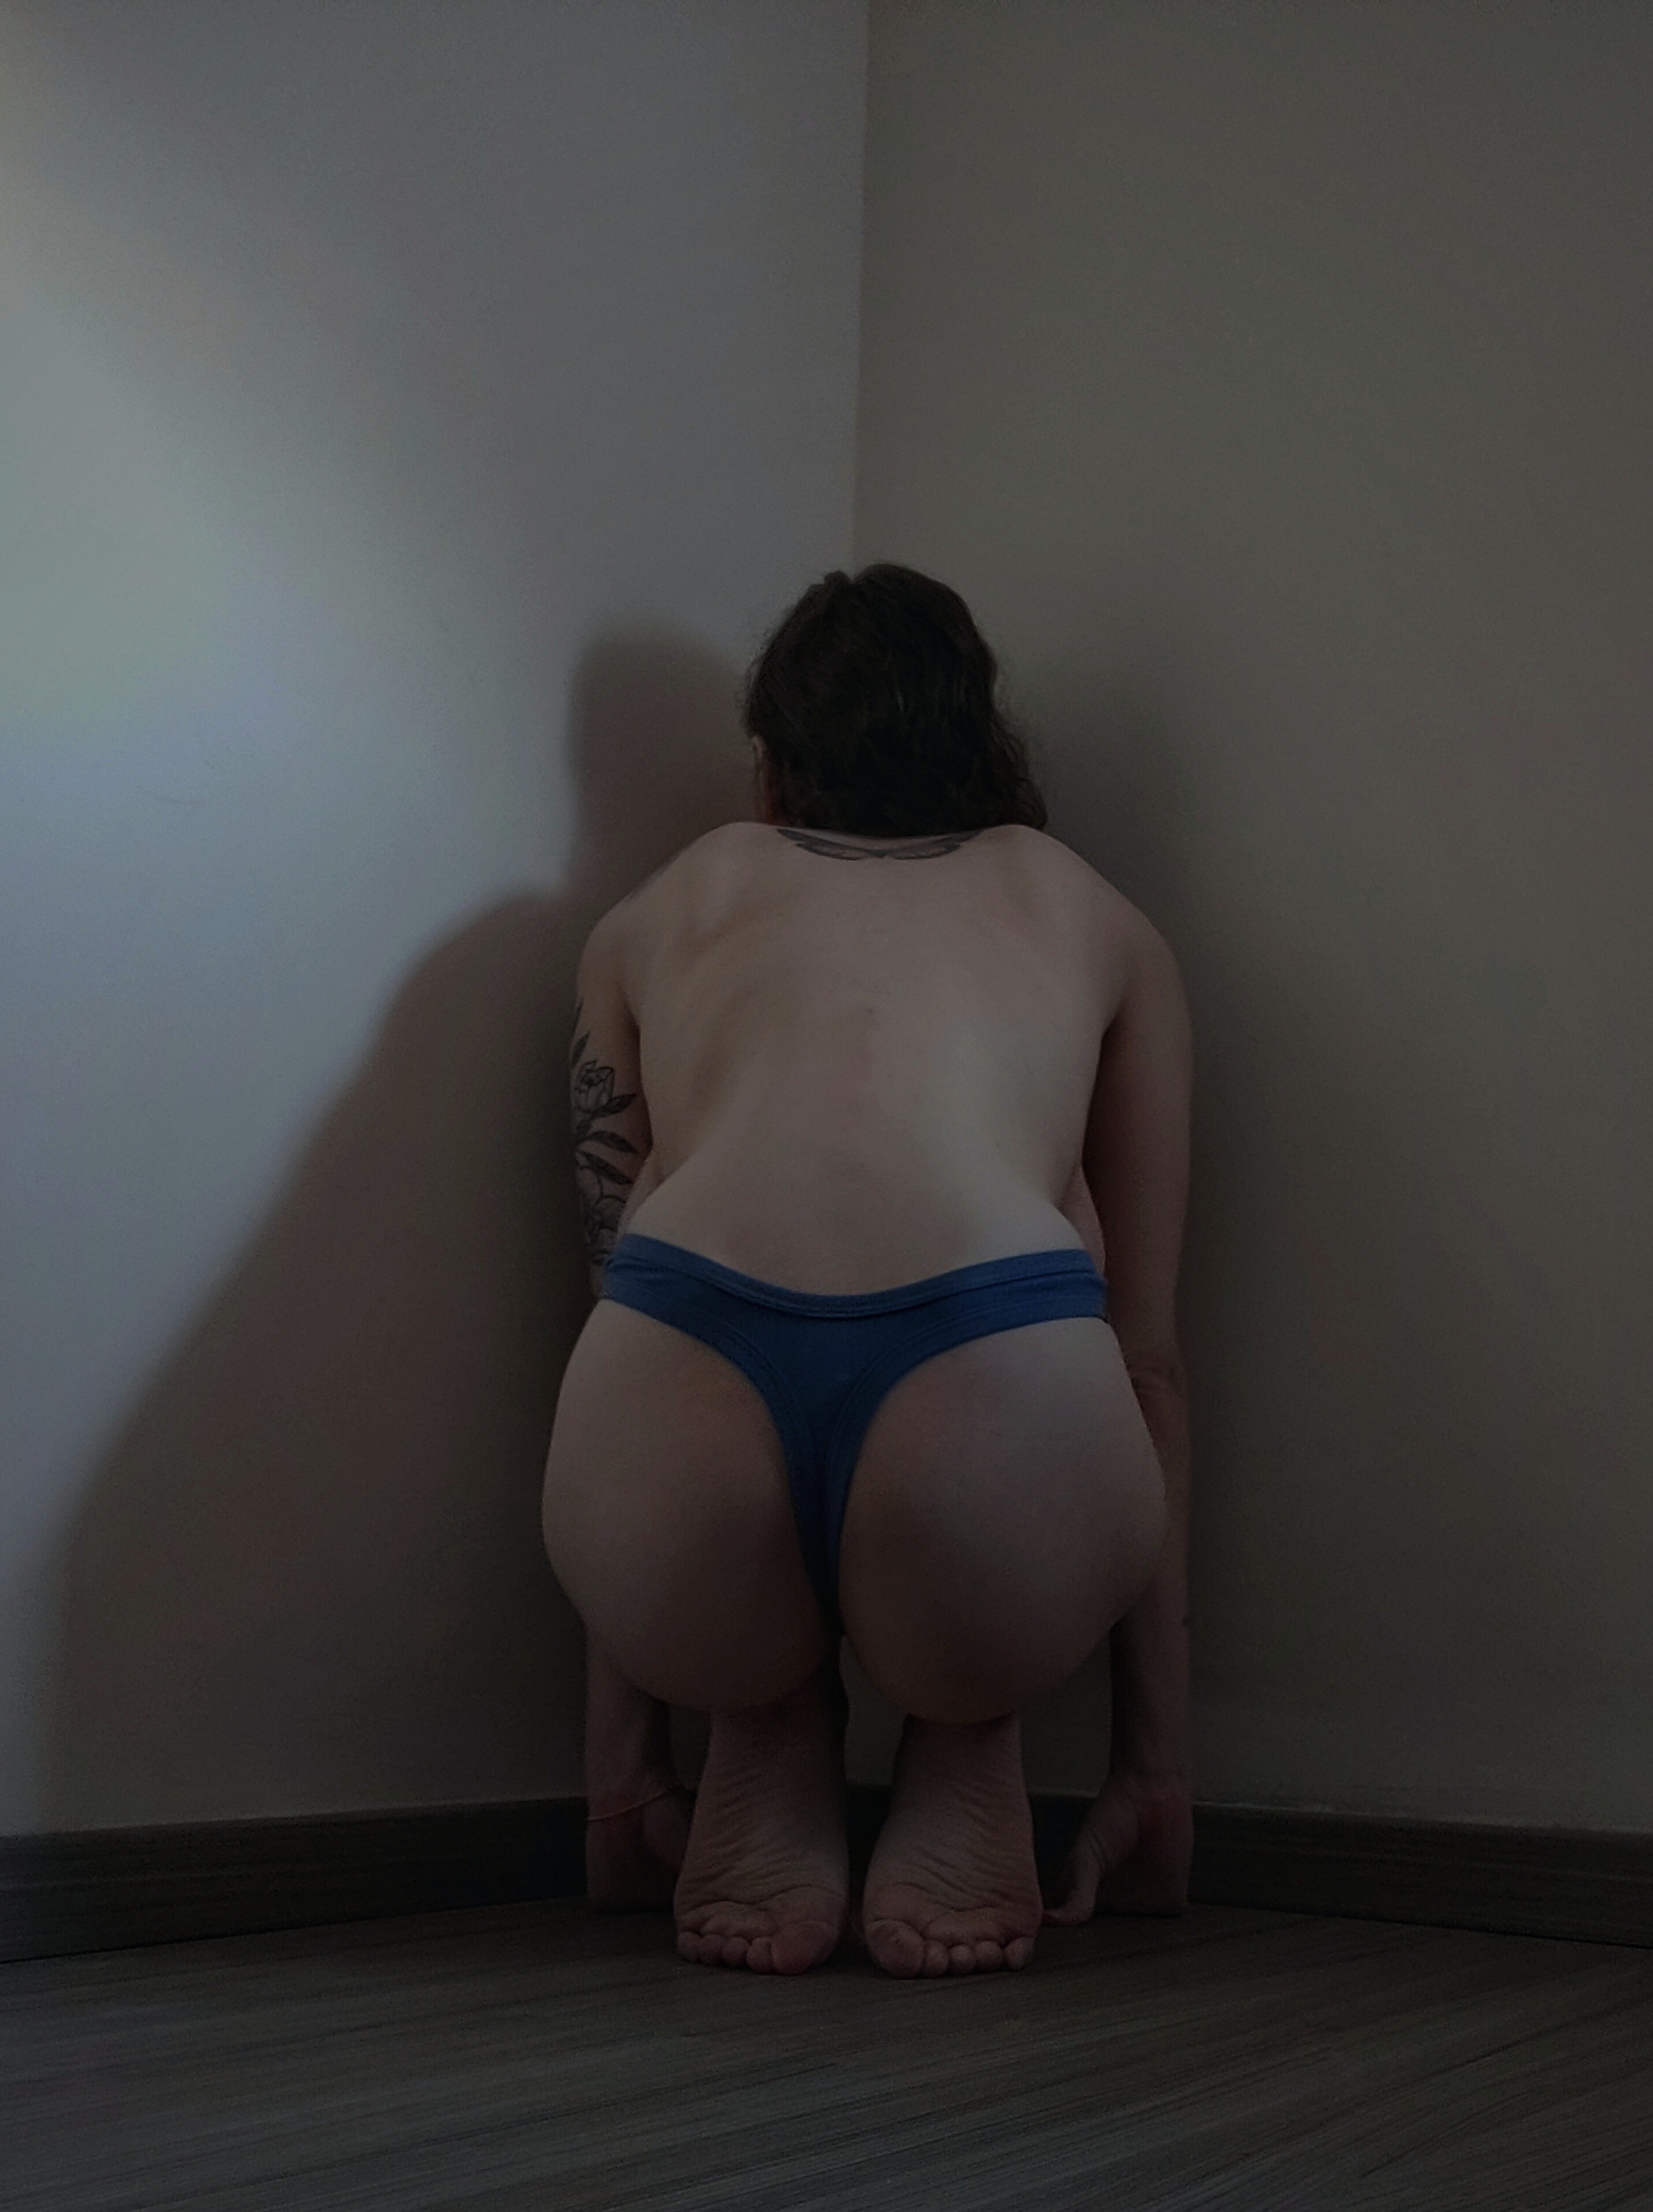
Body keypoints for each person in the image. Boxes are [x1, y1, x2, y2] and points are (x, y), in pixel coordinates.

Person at [542, 563, 1193, 1978]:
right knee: (1055, 1210)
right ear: (981, 737)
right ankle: (966, 1732)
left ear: (769, 762)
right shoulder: (1086, 911)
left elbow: (615, 1303)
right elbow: (1145, 1359)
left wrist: (618, 1781)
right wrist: (1152, 1773)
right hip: (993, 1429)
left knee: (668, 1219)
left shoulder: (664, 905)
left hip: (677, 1436)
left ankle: (759, 1722)